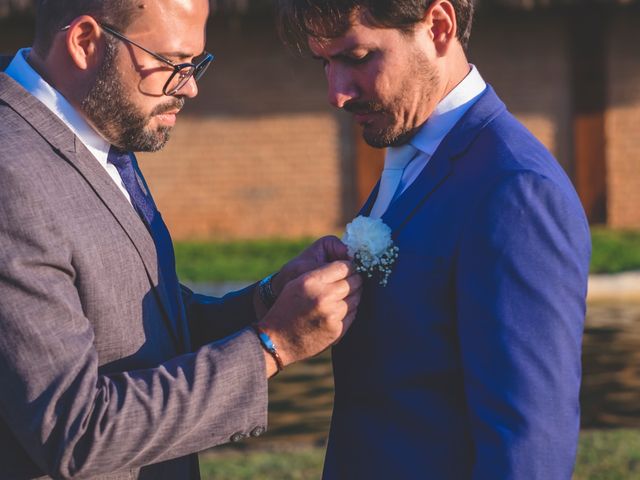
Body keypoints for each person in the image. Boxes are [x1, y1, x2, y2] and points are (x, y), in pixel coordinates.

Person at [0, 0, 363, 478]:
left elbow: (144, 327)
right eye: (173, 63)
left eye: (197, 63)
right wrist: (272, 346)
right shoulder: (13, 176)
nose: (190, 87)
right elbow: (76, 431)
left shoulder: (96, 137)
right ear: (86, 43)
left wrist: (267, 299)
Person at [276, 0, 591, 478]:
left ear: (438, 26)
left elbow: (529, 445)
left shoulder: (516, 190)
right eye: (325, 63)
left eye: (358, 58)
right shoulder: (415, 152)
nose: (336, 94)